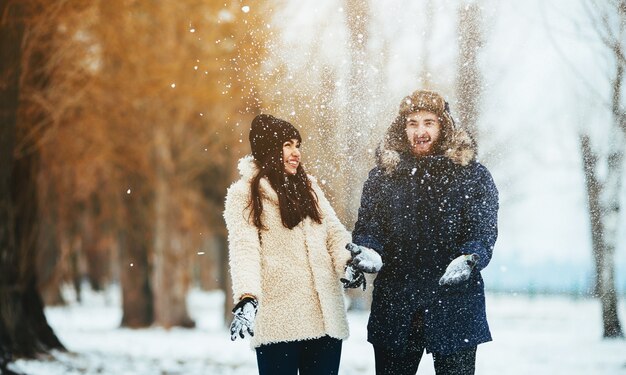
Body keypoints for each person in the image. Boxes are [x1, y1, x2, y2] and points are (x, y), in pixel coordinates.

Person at [349, 89, 499, 374]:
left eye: (429, 122)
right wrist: (367, 249)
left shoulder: (472, 176)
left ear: (443, 126)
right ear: (401, 128)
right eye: (413, 123)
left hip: (454, 306)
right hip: (396, 306)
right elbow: (368, 227)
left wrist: (470, 258)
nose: (421, 131)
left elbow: (482, 231)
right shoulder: (383, 177)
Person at [223, 114, 379, 375]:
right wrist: (247, 296)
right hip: (280, 320)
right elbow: (244, 249)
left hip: (325, 319)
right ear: (269, 150)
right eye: (288, 145)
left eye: (298, 145)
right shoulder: (245, 194)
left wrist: (347, 264)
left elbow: (335, 234)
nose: (296, 153)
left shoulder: (309, 187)